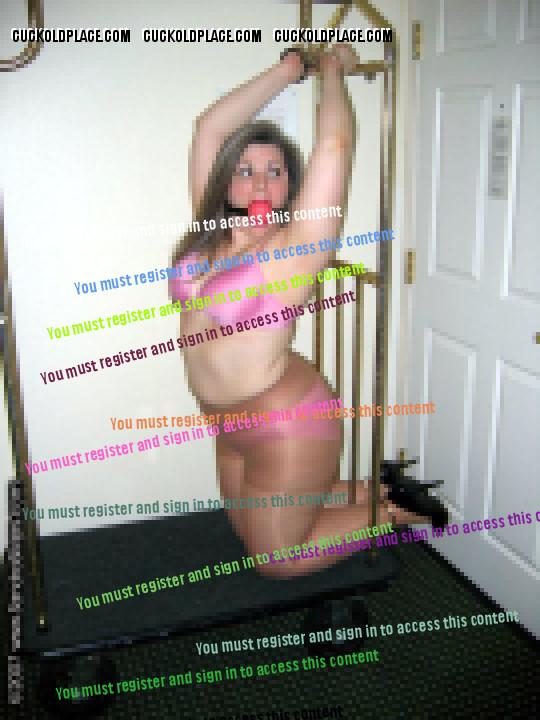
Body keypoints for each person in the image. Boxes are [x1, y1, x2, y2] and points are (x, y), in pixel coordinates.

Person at [170, 46, 425, 577]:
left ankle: (397, 513)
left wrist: (331, 70)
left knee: (276, 560)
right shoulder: (211, 231)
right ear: (226, 181)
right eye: (245, 170)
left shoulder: (296, 247)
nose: (260, 183)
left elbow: (335, 144)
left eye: (276, 171)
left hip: (286, 420)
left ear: (292, 186)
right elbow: (208, 128)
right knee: (246, 532)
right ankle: (374, 489)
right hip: (225, 421)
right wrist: (287, 71)